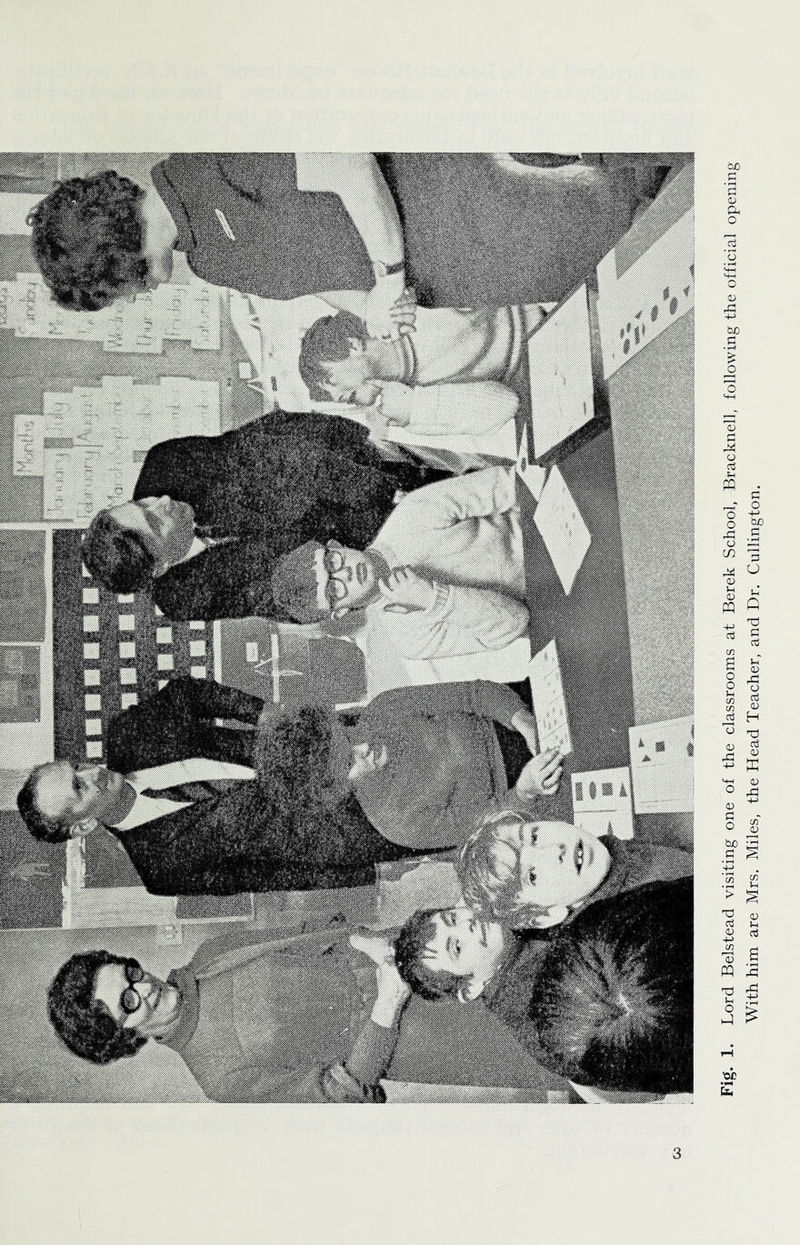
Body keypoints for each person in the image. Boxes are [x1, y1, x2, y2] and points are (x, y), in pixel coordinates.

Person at [26, 153, 650, 316]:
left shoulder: (204, 167)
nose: (136, 298)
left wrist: (390, 275)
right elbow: (327, 275)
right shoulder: (207, 262)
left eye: (117, 292)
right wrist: (375, 307)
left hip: (469, 200)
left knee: (639, 210)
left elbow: (348, 164)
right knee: (632, 271)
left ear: (114, 258)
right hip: (464, 270)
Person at [16, 677, 415, 896]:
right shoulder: (160, 869)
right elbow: (267, 878)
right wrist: (370, 873)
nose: (93, 772)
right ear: (82, 825)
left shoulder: (128, 735)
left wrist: (266, 715)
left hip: (337, 743)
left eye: (79, 765)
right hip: (353, 828)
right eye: (79, 788)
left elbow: (188, 693)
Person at [80, 411, 441, 621]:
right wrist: (340, 596)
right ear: (159, 566)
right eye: (155, 522)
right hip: (350, 553)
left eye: (142, 505)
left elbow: (292, 460)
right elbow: (277, 599)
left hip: (341, 461)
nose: (159, 501)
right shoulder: (181, 597)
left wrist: (387, 491)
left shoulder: (167, 466)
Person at [394, 877, 693, 1096]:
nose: (468, 925)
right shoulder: (540, 1005)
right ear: (470, 988)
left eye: (454, 918)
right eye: (457, 947)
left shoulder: (513, 945)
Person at [46, 923, 410, 1102]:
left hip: (396, 951)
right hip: (411, 1036)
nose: (144, 987)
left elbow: (313, 933)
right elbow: (340, 1093)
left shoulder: (211, 954)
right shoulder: (219, 1078)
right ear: (124, 1037)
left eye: (132, 973)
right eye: (128, 1001)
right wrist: (386, 1010)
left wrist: (363, 941)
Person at [271, 466, 528, 672]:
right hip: (552, 607)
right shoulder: (410, 640)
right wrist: (434, 598)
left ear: (337, 545)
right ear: (340, 612)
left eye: (332, 562)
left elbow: (514, 483)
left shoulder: (411, 515)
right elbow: (517, 623)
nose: (344, 573)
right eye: (333, 590)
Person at [297, 299, 545, 453]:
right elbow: (505, 404)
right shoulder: (407, 404)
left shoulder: (409, 309)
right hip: (540, 387)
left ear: (353, 346)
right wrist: (417, 408)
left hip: (550, 317)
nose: (337, 396)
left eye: (330, 380)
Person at [456, 807, 693, 929]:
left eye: (534, 836)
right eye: (532, 875)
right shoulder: (647, 912)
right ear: (547, 916)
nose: (553, 851)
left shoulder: (613, 860)